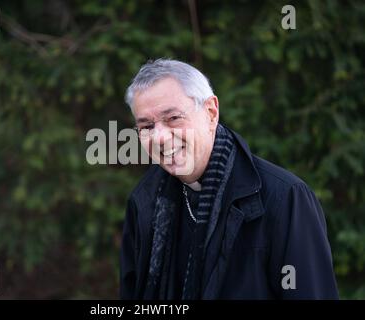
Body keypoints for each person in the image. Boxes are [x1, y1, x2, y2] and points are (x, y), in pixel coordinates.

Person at [119, 58, 339, 299]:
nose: (159, 137)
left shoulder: (284, 197)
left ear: (211, 113)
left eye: (173, 118)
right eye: (147, 126)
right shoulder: (143, 202)